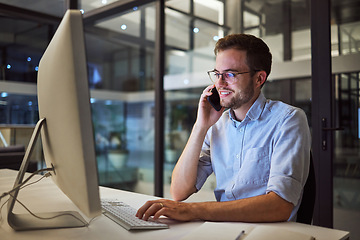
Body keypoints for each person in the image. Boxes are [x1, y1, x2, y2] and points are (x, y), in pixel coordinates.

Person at [136, 33, 311, 223]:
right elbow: (179, 191)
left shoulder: (288, 120)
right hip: (224, 229)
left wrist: (193, 210)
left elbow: (279, 206)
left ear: (259, 78)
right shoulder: (216, 125)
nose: (219, 83)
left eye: (230, 74)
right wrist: (200, 126)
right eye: (217, 74)